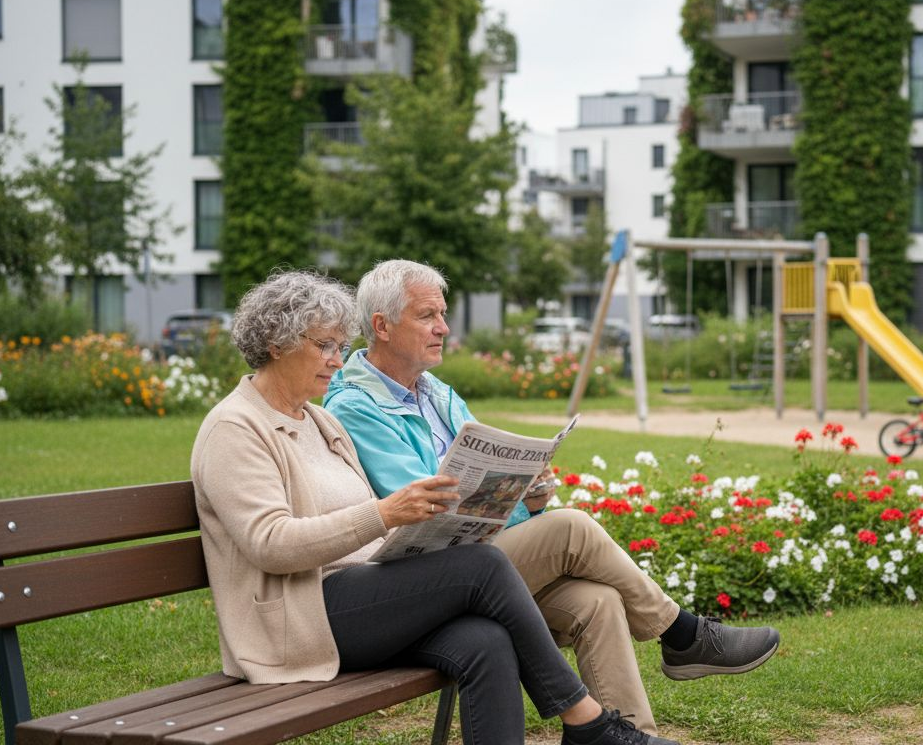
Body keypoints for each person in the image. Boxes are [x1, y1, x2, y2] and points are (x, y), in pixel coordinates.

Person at [190, 271, 679, 745]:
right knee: (482, 564)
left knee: (485, 640)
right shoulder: (235, 428)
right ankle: (587, 721)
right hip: (302, 618)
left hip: (364, 599)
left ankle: (593, 726)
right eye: (324, 345)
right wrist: (384, 514)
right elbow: (270, 545)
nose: (337, 360)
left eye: (340, 346)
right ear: (277, 343)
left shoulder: (318, 421)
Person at [325, 260, 781, 736]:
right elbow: (432, 508)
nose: (443, 328)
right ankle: (681, 633)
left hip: (488, 563)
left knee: (598, 602)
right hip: (434, 578)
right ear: (382, 325)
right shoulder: (355, 407)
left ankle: (627, 735)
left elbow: (475, 487)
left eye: (443, 314)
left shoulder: (438, 394)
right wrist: (517, 503)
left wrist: (526, 491)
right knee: (572, 526)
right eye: (426, 316)